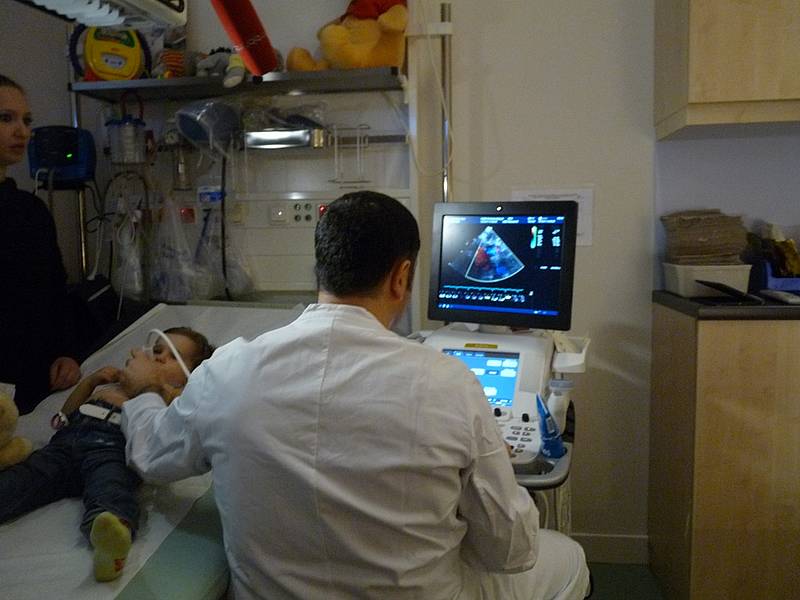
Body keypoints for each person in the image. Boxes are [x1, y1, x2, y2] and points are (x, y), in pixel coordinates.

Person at [121, 191, 591, 599]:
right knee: (568, 559)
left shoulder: (227, 372)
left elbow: (151, 456)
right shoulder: (449, 384)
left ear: (320, 268)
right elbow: (512, 551)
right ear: (401, 277)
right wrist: (491, 468)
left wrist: (143, 392)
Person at [0, 326, 214, 582]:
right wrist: (89, 382)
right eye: (157, 350)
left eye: (173, 357)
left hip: (112, 448)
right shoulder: (114, 384)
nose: (159, 358)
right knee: (25, 477)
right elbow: (64, 416)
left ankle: (112, 540)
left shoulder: (171, 395)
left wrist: (159, 385)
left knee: (110, 488)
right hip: (66, 443)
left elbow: (173, 424)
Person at [0, 73, 82, 414]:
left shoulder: (31, 210)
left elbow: (54, 290)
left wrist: (66, 352)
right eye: (6, 118)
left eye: (27, 120)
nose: (22, 131)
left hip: (37, 381)